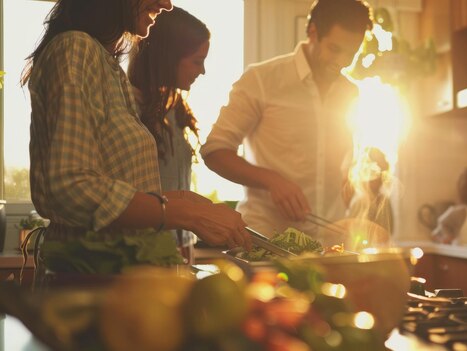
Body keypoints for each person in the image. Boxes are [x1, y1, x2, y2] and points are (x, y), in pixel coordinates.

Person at [21, 0, 251, 279]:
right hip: (90, 283)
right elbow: (69, 187)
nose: (167, 4)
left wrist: (186, 201)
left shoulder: (106, 64)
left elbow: (118, 186)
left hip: (123, 284)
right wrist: (187, 215)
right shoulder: (75, 48)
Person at [201, 0, 374, 238]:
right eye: (335, 49)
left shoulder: (350, 93)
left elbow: (341, 170)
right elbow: (215, 151)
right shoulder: (261, 80)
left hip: (330, 242)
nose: (342, 61)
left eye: (351, 53)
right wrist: (272, 180)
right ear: (312, 31)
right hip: (269, 239)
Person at [127, 6, 210, 264]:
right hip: (143, 255)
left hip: (177, 255)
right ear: (169, 56)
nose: (203, 71)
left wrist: (186, 253)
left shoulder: (173, 109)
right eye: (197, 61)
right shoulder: (128, 107)